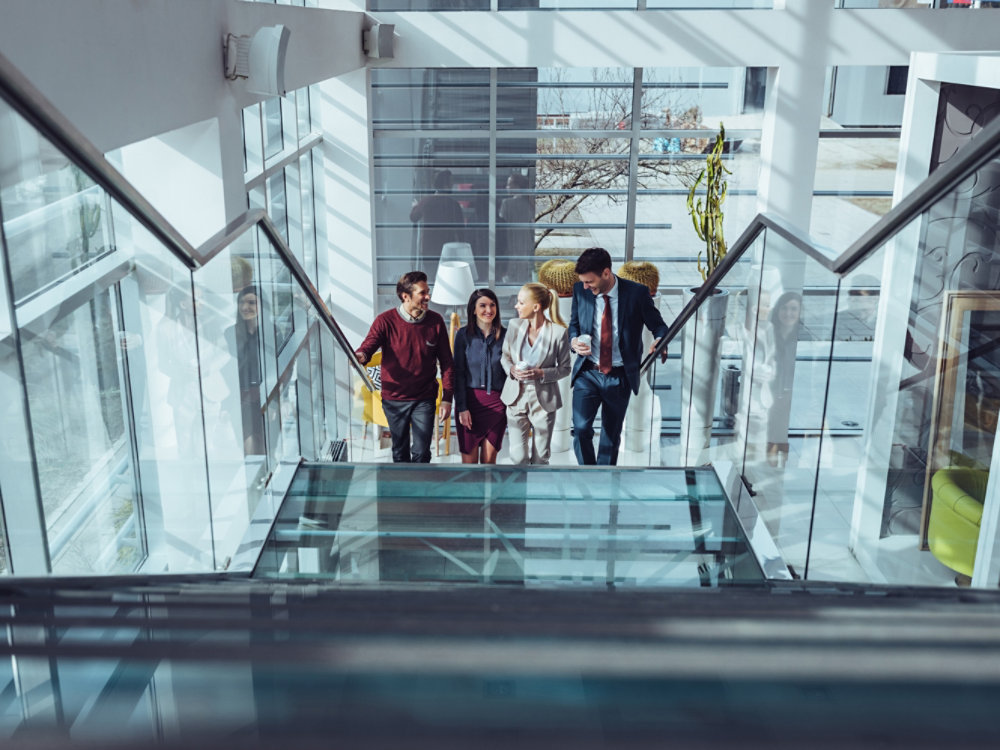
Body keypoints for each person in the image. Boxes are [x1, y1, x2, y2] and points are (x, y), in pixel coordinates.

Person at [569, 247, 668, 465]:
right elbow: (574, 324)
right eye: (583, 282)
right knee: (581, 429)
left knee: (610, 436)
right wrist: (574, 341)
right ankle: (588, 475)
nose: (586, 286)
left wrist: (660, 339)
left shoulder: (637, 294)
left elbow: (659, 325)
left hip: (620, 375)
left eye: (590, 282)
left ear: (606, 273)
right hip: (588, 372)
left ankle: (604, 481)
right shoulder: (580, 290)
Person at [355, 271, 454, 463]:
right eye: (422, 293)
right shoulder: (385, 321)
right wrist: (362, 355)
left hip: (424, 398)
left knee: (422, 452)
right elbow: (369, 345)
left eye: (428, 291)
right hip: (394, 399)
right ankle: (403, 489)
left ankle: (420, 491)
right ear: (406, 296)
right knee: (399, 452)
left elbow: (448, 362)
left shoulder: (436, 321)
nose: (428, 297)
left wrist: (447, 398)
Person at [501, 283, 571, 465]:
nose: (516, 306)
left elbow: (565, 368)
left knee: (541, 457)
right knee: (518, 457)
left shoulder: (558, 333)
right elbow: (505, 356)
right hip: (515, 396)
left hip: (543, 399)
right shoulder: (514, 326)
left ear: (536, 307)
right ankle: (518, 493)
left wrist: (541, 373)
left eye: (521, 302)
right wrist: (511, 369)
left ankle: (536, 492)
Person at [453, 289, 508, 464]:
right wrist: (462, 408)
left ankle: (490, 492)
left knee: (489, 462)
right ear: (474, 310)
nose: (488, 310)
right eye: (482, 305)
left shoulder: (506, 335)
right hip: (470, 404)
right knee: (469, 464)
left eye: (492, 305)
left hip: (498, 404)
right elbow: (458, 374)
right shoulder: (462, 335)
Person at [763, 291, 802, 468]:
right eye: (784, 308)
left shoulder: (802, 337)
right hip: (770, 394)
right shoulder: (769, 335)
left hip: (792, 396)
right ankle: (771, 468)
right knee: (771, 436)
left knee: (783, 435)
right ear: (778, 311)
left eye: (793, 309)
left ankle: (781, 468)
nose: (788, 313)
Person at [409, 170, 465, 270]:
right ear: (445, 185)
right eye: (451, 183)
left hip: (429, 250)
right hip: (448, 250)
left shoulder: (426, 201)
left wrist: (415, 206)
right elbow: (461, 232)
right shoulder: (454, 205)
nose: (452, 186)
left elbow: (413, 217)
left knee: (432, 279)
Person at [233, 285, 266, 456]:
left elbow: (285, 369)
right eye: (242, 303)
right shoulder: (230, 333)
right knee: (249, 445)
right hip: (241, 397)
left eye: (252, 302)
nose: (245, 307)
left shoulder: (271, 332)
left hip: (265, 396)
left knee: (268, 444)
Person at [498, 173, 534, 284]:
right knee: (523, 272)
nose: (506, 187)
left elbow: (501, 221)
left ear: (517, 186)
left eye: (509, 185)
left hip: (511, 240)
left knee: (511, 272)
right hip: (525, 241)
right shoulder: (529, 203)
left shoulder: (507, 203)